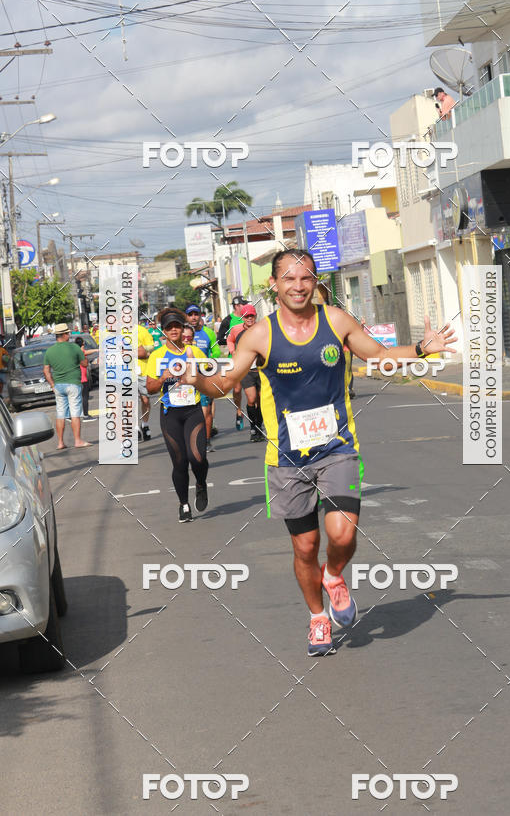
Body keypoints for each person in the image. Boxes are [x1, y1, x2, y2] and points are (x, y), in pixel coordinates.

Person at [180, 248, 456, 655]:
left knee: (343, 534)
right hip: (287, 458)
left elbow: (378, 357)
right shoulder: (259, 335)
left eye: (305, 278)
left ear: (314, 281)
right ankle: (317, 618)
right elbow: (225, 383)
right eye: (289, 279)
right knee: (304, 547)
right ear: (274, 285)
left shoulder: (336, 321)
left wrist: (420, 349)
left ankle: (335, 575)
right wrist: (198, 382)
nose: (298, 286)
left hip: (337, 446)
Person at [146, 307, 209, 523]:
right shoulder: (157, 356)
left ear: (183, 329)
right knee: (180, 462)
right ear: (163, 331)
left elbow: (211, 376)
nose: (174, 330)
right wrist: (163, 377)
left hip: (193, 409)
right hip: (170, 413)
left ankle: (201, 483)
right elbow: (151, 388)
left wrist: (197, 377)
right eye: (169, 327)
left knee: (197, 457)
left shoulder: (195, 352)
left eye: (177, 326)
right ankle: (183, 504)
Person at [43, 323, 91, 450]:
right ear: (64, 335)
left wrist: (52, 384)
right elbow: (84, 364)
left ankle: (60, 442)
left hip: (58, 386)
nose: (69, 335)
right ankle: (77, 441)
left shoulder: (49, 351)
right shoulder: (74, 348)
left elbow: (46, 371)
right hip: (73, 384)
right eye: (68, 333)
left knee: (60, 414)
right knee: (75, 413)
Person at [184, 305, 220, 447]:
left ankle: (206, 440)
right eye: (190, 314)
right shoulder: (182, 332)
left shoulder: (209, 333)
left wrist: (211, 360)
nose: (193, 317)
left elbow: (216, 350)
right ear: (186, 316)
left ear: (200, 315)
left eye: (196, 314)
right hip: (186, 378)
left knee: (206, 410)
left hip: (205, 375)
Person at [228, 304, 264, 441]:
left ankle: (259, 427)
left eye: (252, 315)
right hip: (247, 371)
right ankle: (253, 427)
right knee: (251, 398)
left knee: (261, 401)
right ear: (242, 318)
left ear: (255, 316)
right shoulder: (238, 332)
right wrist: (233, 352)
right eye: (246, 316)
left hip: (261, 370)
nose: (249, 318)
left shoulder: (262, 330)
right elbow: (230, 341)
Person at [217, 295, 248, 430]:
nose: (244, 307)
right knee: (237, 388)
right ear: (236, 306)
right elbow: (220, 339)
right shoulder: (228, 320)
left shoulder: (249, 317)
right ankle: (239, 412)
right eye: (242, 304)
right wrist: (233, 339)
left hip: (250, 359)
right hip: (234, 359)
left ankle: (256, 414)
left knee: (253, 390)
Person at [136, 322, 156, 441]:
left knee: (145, 399)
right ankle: (134, 428)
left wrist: (142, 351)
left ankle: (145, 424)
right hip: (126, 371)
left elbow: (151, 346)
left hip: (143, 370)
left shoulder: (141, 330)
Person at [74, 336, 95, 421]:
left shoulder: (75, 352)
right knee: (85, 397)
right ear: (83, 343)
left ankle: (77, 415)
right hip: (83, 378)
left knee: (77, 398)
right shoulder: (80, 352)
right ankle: (85, 415)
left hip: (77, 378)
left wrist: (96, 350)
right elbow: (85, 362)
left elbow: (86, 352)